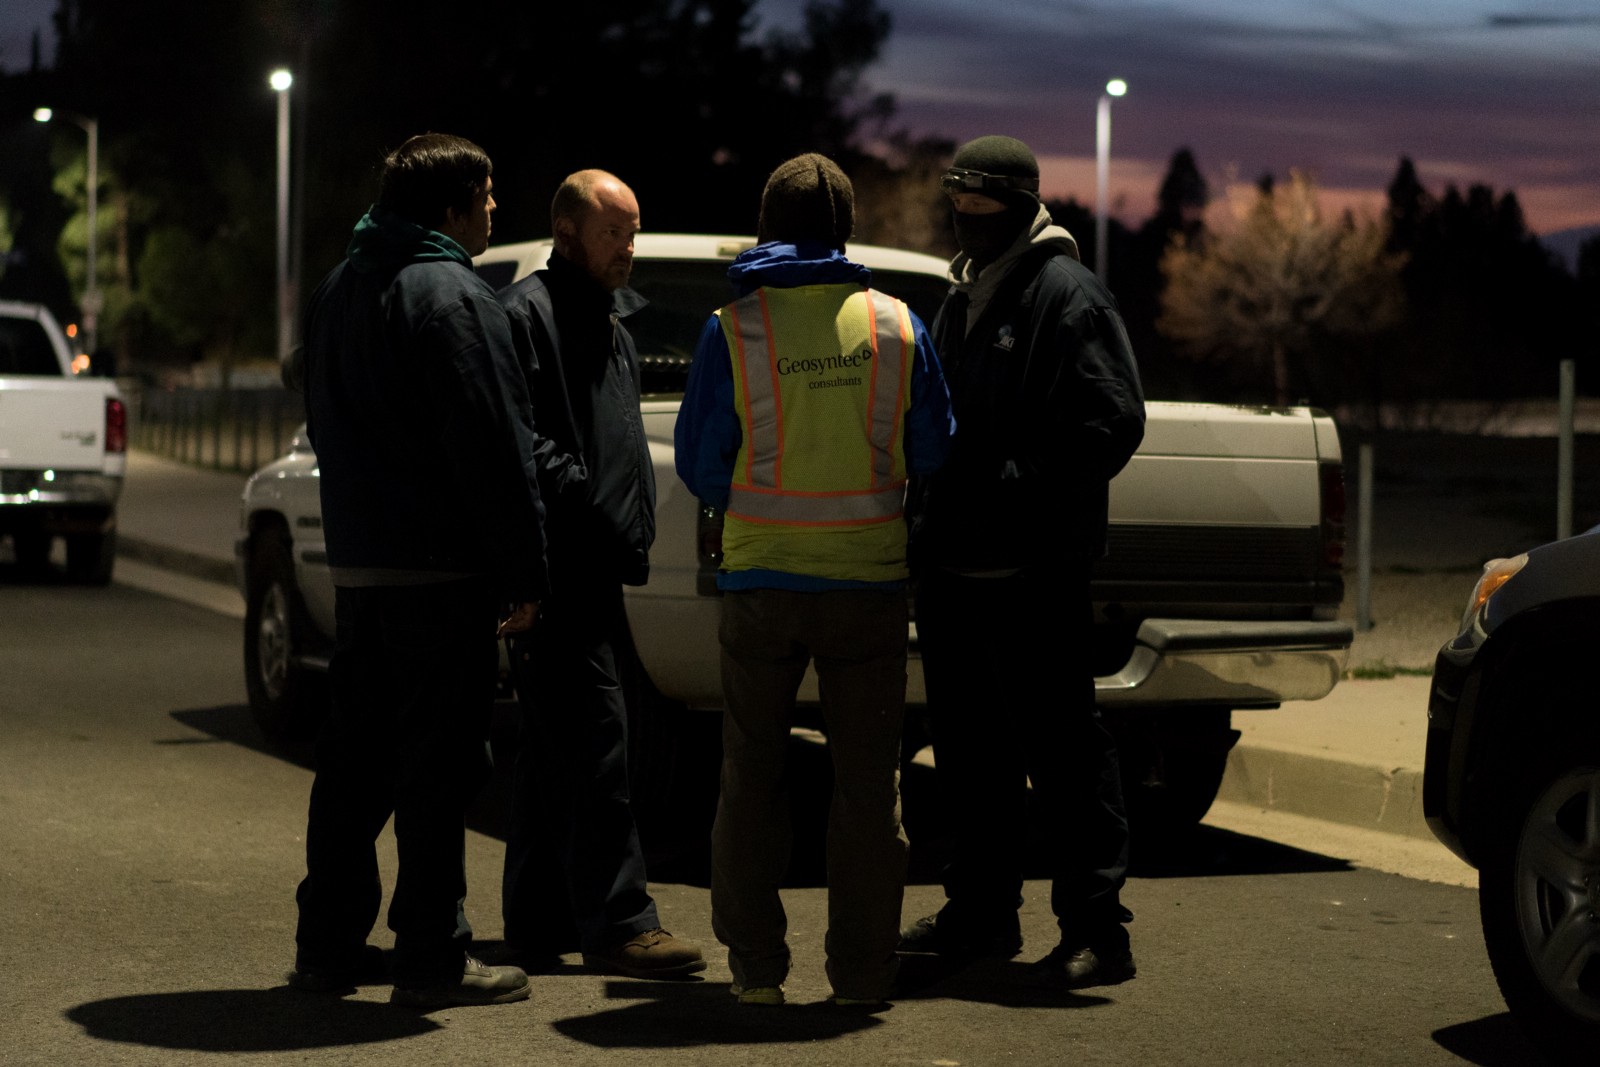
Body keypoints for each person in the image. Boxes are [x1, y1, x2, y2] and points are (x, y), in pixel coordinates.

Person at [676, 153, 954, 1006]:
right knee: (869, 788)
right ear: (845, 228)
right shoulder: (899, 325)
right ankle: (862, 975)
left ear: (767, 223)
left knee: (750, 775)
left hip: (761, 585)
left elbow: (699, 461)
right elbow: (936, 448)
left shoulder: (735, 327)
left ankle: (757, 970)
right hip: (868, 586)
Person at [290, 133, 547, 1009]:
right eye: (486, 198)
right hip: (440, 575)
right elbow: (495, 446)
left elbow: (317, 409)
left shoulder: (339, 288)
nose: (493, 211)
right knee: (440, 770)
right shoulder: (453, 296)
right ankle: (433, 953)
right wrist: (524, 567)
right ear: (452, 207)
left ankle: (326, 944)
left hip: (361, 568)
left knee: (353, 765)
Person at [899, 134, 1146, 989]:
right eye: (956, 207)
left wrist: (1013, 484)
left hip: (1034, 574)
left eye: (981, 209)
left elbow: (1111, 422)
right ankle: (980, 914)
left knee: (1066, 757)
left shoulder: (1064, 294)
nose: (966, 223)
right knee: (972, 757)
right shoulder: (962, 294)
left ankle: (1096, 930)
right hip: (957, 575)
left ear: (1018, 204)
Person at [497, 170, 705, 979]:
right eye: (613, 231)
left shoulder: (610, 321)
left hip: (595, 561)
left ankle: (537, 919)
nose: (628, 247)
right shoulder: (528, 317)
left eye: (633, 229)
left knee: (557, 750)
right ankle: (622, 921)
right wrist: (590, 504)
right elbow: (523, 443)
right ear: (566, 232)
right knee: (599, 744)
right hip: (559, 566)